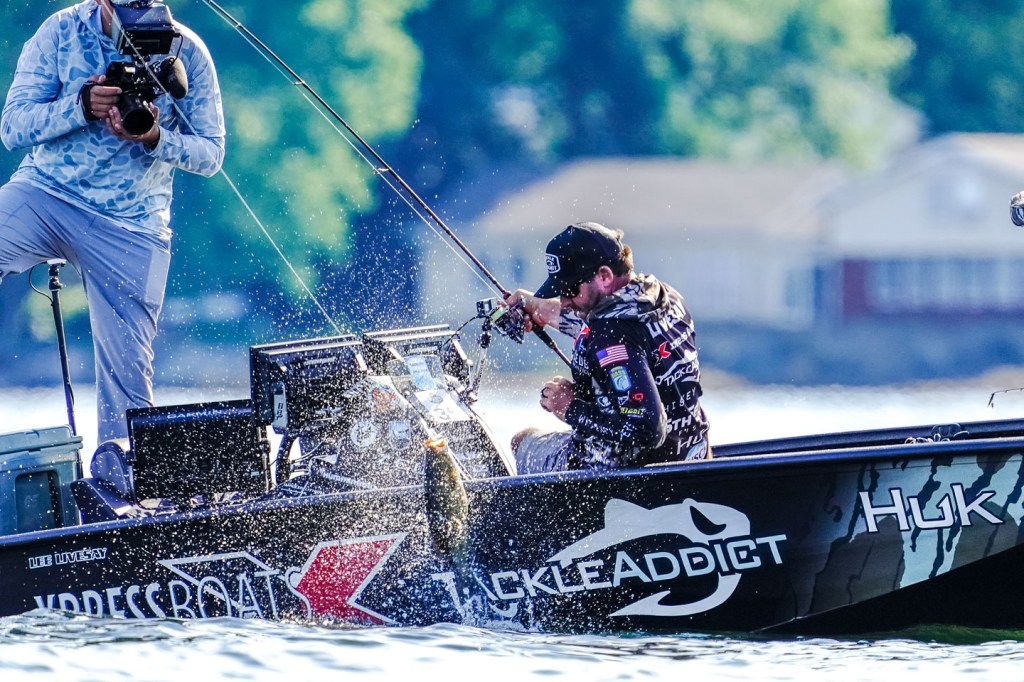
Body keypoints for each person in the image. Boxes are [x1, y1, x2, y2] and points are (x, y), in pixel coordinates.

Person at [0, 0, 225, 444]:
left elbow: (211, 154)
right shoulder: (60, 31)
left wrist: (155, 137)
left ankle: (120, 480)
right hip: (47, 194)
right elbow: (13, 128)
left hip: (133, 225)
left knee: (129, 386)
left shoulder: (189, 51)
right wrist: (80, 106)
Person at [507, 222, 710, 473]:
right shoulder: (662, 298)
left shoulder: (610, 336)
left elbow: (647, 430)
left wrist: (570, 408)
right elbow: (603, 326)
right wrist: (536, 306)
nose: (565, 301)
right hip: (691, 452)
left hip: (618, 474)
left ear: (604, 276)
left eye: (570, 290)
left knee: (521, 440)